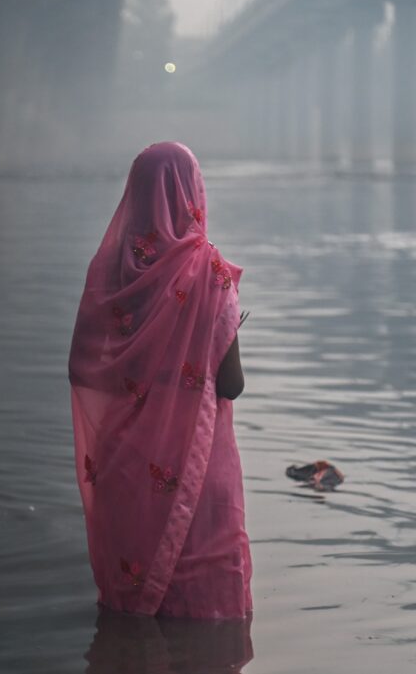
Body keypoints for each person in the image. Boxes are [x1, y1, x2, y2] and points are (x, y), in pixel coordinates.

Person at [68, 141, 253, 619]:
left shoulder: (112, 272)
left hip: (127, 462)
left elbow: (85, 367)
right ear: (192, 194)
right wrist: (218, 340)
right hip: (195, 463)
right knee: (205, 616)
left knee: (130, 609)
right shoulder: (209, 271)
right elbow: (230, 385)